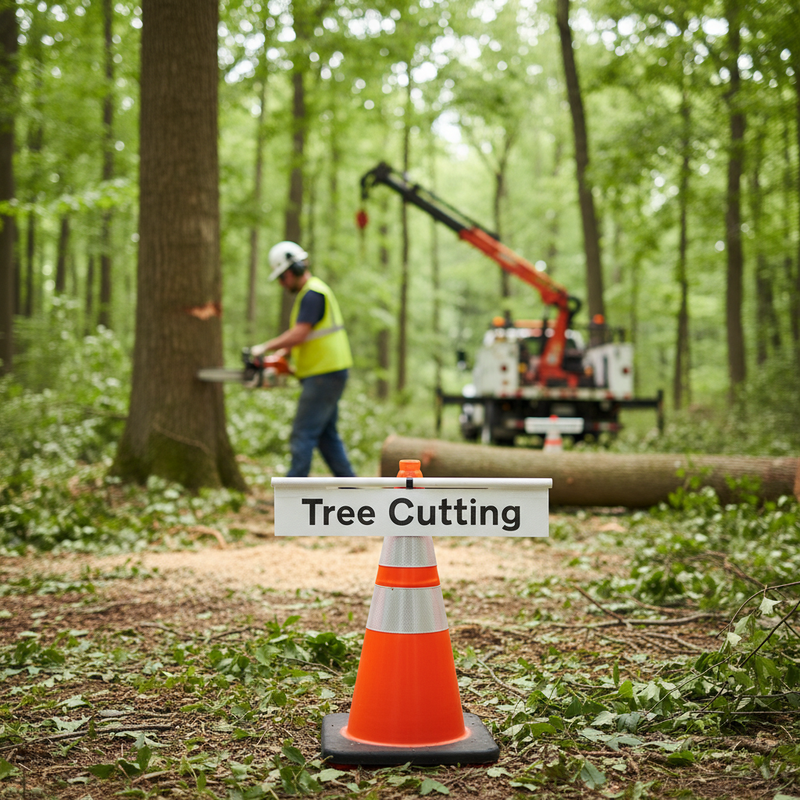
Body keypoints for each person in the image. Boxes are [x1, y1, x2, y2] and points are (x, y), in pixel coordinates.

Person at [250, 241, 356, 478]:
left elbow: (299, 333)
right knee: (326, 437)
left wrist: (264, 348)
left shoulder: (312, 294)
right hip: (326, 372)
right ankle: (352, 488)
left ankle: (294, 491)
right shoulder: (311, 294)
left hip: (324, 374)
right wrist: (281, 356)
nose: (281, 283)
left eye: (282, 276)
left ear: (294, 270)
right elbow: (306, 337)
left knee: (303, 433)